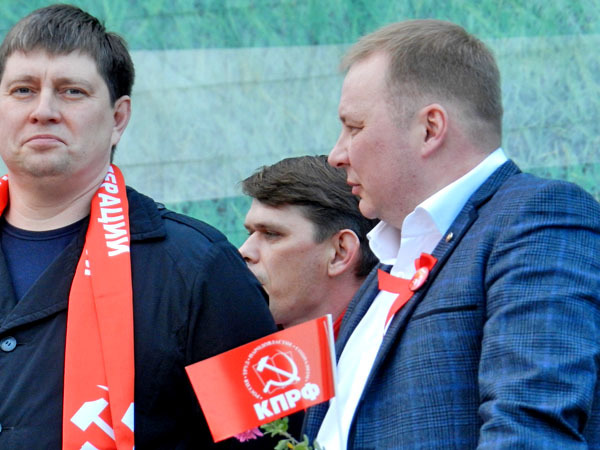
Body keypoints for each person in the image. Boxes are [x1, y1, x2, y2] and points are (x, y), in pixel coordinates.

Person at [303, 19, 600, 448]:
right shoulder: (391, 256)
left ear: (429, 128)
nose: (337, 154)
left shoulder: (539, 216)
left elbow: (528, 432)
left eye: (355, 127)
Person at [0, 5, 276, 449]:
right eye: (22, 90)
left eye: (72, 91)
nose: (43, 110)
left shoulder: (200, 268)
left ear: (118, 118)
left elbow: (269, 440)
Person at [239, 155, 378, 335]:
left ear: (340, 252)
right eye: (250, 233)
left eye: (271, 234)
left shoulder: (400, 343)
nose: (243, 252)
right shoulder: (237, 341)